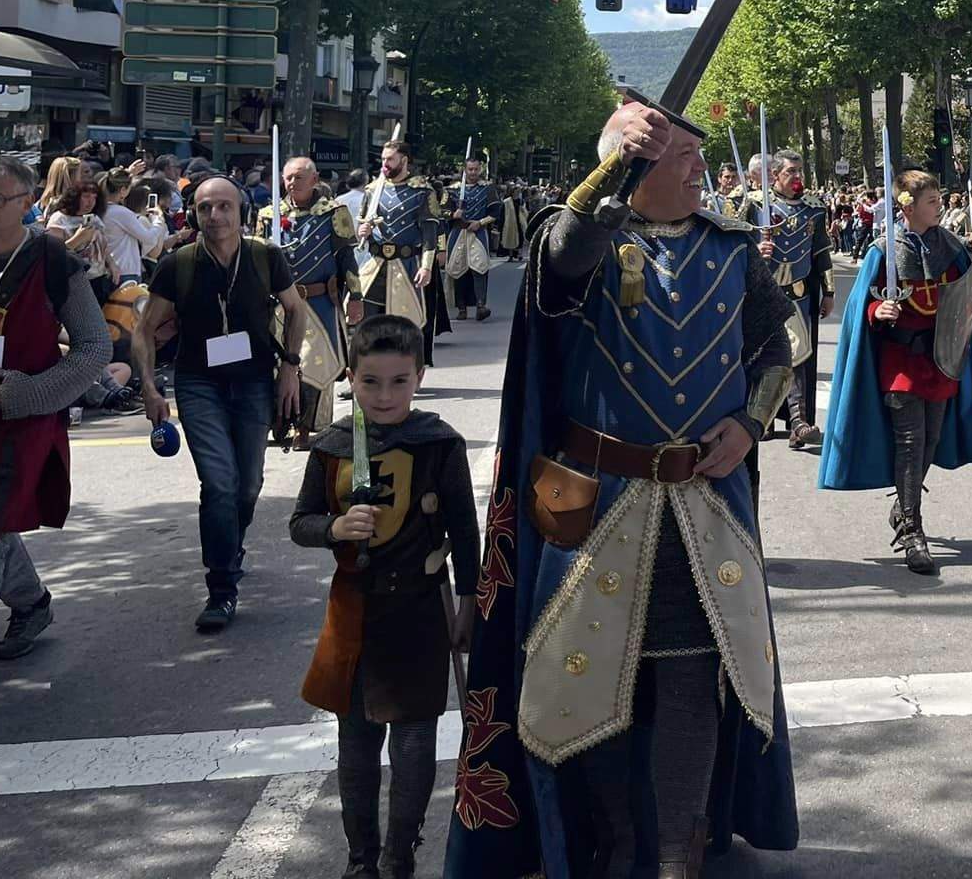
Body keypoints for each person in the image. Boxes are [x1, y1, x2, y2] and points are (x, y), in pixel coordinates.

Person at [444, 102, 797, 878]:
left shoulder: (732, 248)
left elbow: (779, 343)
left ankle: (676, 849)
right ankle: (613, 838)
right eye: (682, 158)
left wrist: (750, 419)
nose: (701, 170)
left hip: (704, 506)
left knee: (689, 674)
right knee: (586, 680)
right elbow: (568, 252)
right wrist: (613, 167)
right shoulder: (582, 239)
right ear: (636, 169)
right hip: (597, 500)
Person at [291, 314, 478, 879]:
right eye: (371, 382)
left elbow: (467, 532)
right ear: (352, 377)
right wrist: (334, 529)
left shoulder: (439, 444)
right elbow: (300, 521)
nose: (385, 395)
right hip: (355, 609)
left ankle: (399, 857)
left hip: (419, 610)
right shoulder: (332, 446)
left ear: (419, 376)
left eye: (399, 381)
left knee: (417, 740)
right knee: (357, 741)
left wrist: (470, 603)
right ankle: (360, 860)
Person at [0, 156, 111, 726]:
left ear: (26, 202)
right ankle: (32, 603)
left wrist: (30, 394)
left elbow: (95, 348)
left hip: (22, 416)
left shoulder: (51, 260)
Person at [135, 177, 306, 632]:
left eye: (224, 206)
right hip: (198, 384)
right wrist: (150, 387)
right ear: (193, 213)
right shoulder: (178, 264)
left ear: (241, 211)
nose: (215, 216)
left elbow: (296, 309)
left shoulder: (266, 256)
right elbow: (143, 328)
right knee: (219, 484)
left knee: (247, 485)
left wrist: (290, 366)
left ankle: (230, 544)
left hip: (253, 382)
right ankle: (221, 588)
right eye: (205, 207)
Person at [819, 168, 972, 573]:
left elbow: (962, 297)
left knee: (931, 439)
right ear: (908, 206)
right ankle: (913, 530)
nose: (940, 207)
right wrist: (875, 309)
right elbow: (859, 309)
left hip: (940, 362)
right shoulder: (883, 251)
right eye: (932, 202)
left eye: (938, 200)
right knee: (911, 441)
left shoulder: (950, 247)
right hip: (899, 361)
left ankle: (903, 506)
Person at [264, 156, 364, 441]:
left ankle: (305, 427)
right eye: (288, 178)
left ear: (314, 178)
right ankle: (280, 423)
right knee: (278, 363)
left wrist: (355, 296)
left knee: (314, 366)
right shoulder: (268, 213)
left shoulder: (335, 212)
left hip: (319, 302)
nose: (292, 183)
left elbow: (347, 258)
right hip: (281, 304)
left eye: (298, 177)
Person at [751, 151, 834, 452]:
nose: (797, 177)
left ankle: (799, 423)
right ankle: (763, 418)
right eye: (791, 172)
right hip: (763, 293)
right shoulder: (756, 205)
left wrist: (829, 292)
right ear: (774, 175)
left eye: (800, 171)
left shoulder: (814, 210)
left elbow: (821, 254)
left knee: (798, 356)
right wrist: (754, 245)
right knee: (763, 357)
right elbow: (735, 244)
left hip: (798, 294)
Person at [354, 142, 440, 365]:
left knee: (405, 326)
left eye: (390, 159)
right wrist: (362, 230)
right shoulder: (373, 190)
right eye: (383, 159)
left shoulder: (422, 191)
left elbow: (430, 234)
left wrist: (426, 266)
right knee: (365, 323)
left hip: (406, 266)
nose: (384, 164)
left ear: (404, 161)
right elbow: (362, 232)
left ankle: (405, 373)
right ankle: (364, 374)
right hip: (374, 266)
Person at [445, 157, 499, 322]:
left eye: (476, 169)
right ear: (465, 170)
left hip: (478, 233)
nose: (473, 173)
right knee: (458, 270)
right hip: (458, 232)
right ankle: (461, 308)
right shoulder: (452, 189)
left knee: (480, 268)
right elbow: (441, 211)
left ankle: (481, 305)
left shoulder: (487, 188)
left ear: (480, 170)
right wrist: (453, 215)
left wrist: (480, 222)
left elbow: (496, 213)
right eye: (470, 169)